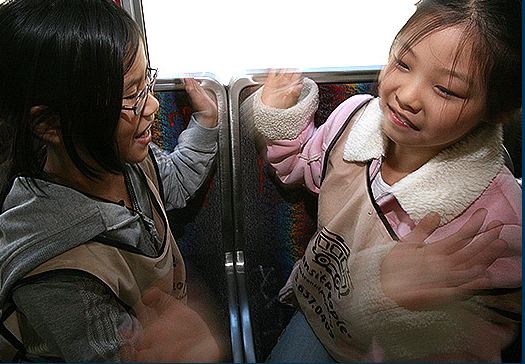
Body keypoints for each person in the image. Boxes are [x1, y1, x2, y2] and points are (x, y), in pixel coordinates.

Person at [242, 0, 521, 361]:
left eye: (447, 90)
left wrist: (401, 309)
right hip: (319, 305)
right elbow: (305, 166)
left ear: (498, 110)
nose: (406, 95)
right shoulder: (353, 120)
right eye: (403, 64)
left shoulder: (497, 222)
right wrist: (282, 118)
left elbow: (469, 346)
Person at [0, 0, 222, 362]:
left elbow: (174, 184)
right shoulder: (61, 276)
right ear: (51, 126)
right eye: (131, 95)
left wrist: (206, 123)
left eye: (145, 83)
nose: (151, 106)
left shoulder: (120, 160)